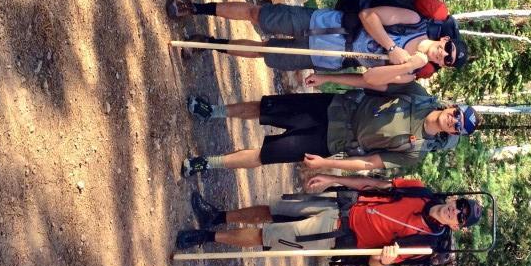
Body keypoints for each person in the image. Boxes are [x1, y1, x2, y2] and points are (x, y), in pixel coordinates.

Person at [175, 176, 484, 266]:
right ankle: (217, 217)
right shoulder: (420, 190)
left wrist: (383, 259)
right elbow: (376, 184)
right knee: (272, 209)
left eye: (461, 217)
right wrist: (334, 178)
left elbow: (377, 265)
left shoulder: (426, 244)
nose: (454, 212)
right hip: (340, 205)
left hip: (335, 235)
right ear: (456, 198)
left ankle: (206, 236)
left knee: (266, 235)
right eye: (460, 206)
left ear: (457, 227)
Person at [178, 83, 481, 177]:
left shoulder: (416, 152)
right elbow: (373, 80)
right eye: (457, 115)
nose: (453, 121)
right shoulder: (415, 93)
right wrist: (328, 75)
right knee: (265, 108)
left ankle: (208, 163)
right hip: (334, 106)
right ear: (453, 107)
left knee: (267, 154)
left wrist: (326, 165)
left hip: (333, 140)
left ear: (453, 134)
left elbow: (368, 163)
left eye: (458, 126)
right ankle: (213, 111)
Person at [165, 0, 468, 90]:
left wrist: (406, 65)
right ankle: (195, 8)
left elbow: (368, 79)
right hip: (327, 24)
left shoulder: (412, 74)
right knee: (260, 15)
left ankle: (207, 43)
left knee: (265, 51)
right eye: (448, 49)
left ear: (444, 66)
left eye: (447, 60)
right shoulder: (413, 20)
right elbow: (369, 15)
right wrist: (391, 48)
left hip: (331, 58)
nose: (444, 54)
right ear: (444, 39)